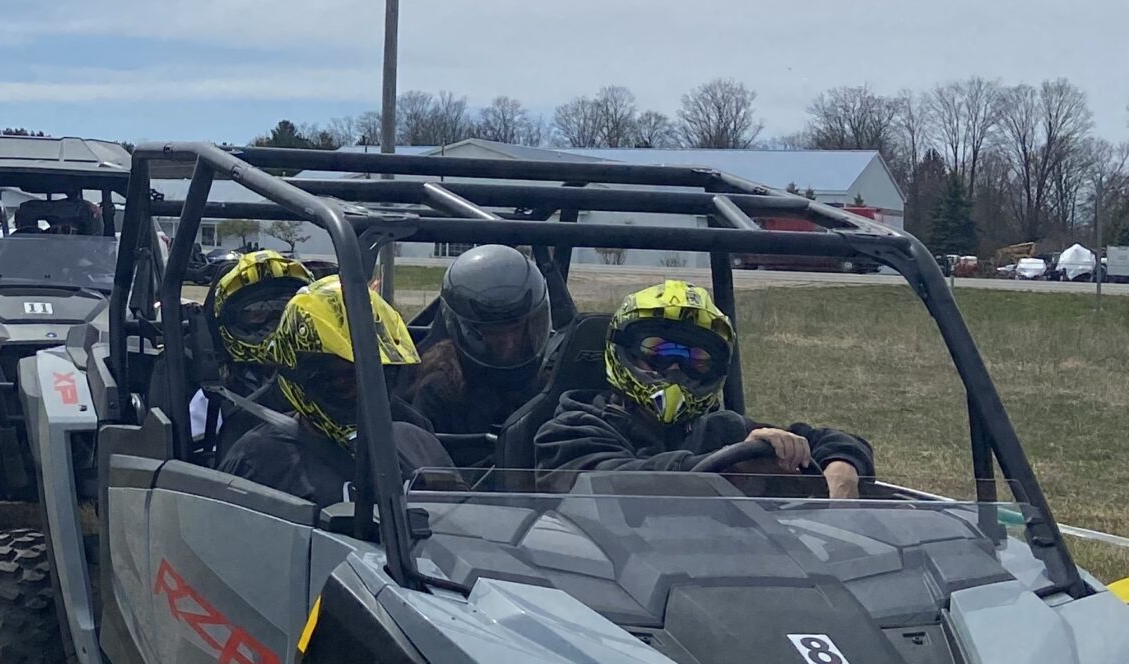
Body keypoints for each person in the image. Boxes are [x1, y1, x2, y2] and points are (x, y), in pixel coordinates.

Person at [534, 279, 873, 497]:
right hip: (600, 588)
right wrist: (725, 469)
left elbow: (831, 441)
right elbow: (613, 485)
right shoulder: (570, 430)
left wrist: (841, 466)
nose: (674, 371)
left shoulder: (723, 429)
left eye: (696, 360)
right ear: (623, 351)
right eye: (658, 353)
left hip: (716, 580)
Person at [219, 275, 448, 504]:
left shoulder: (417, 441)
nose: (358, 391)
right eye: (339, 379)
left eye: (373, 376)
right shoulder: (259, 459)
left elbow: (465, 521)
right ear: (299, 372)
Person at [406, 245, 558, 447]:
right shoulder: (439, 389)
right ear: (466, 330)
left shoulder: (547, 383)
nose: (509, 342)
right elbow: (421, 460)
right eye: (494, 333)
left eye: (516, 329)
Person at [189, 248, 313, 452]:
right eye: (257, 315)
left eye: (285, 313)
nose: (275, 327)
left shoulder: (328, 378)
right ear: (229, 322)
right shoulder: (214, 396)